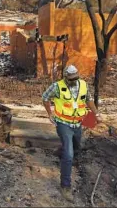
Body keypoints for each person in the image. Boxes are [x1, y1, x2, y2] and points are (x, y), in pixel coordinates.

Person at [42, 65, 102, 202]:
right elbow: (45, 98)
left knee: (76, 147)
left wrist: (96, 114)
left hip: (78, 124)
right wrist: (49, 113)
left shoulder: (83, 85)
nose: (74, 80)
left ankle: (61, 151)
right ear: (65, 77)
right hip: (63, 124)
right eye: (71, 78)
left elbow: (89, 100)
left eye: (76, 77)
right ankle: (65, 186)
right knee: (69, 155)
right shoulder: (57, 86)